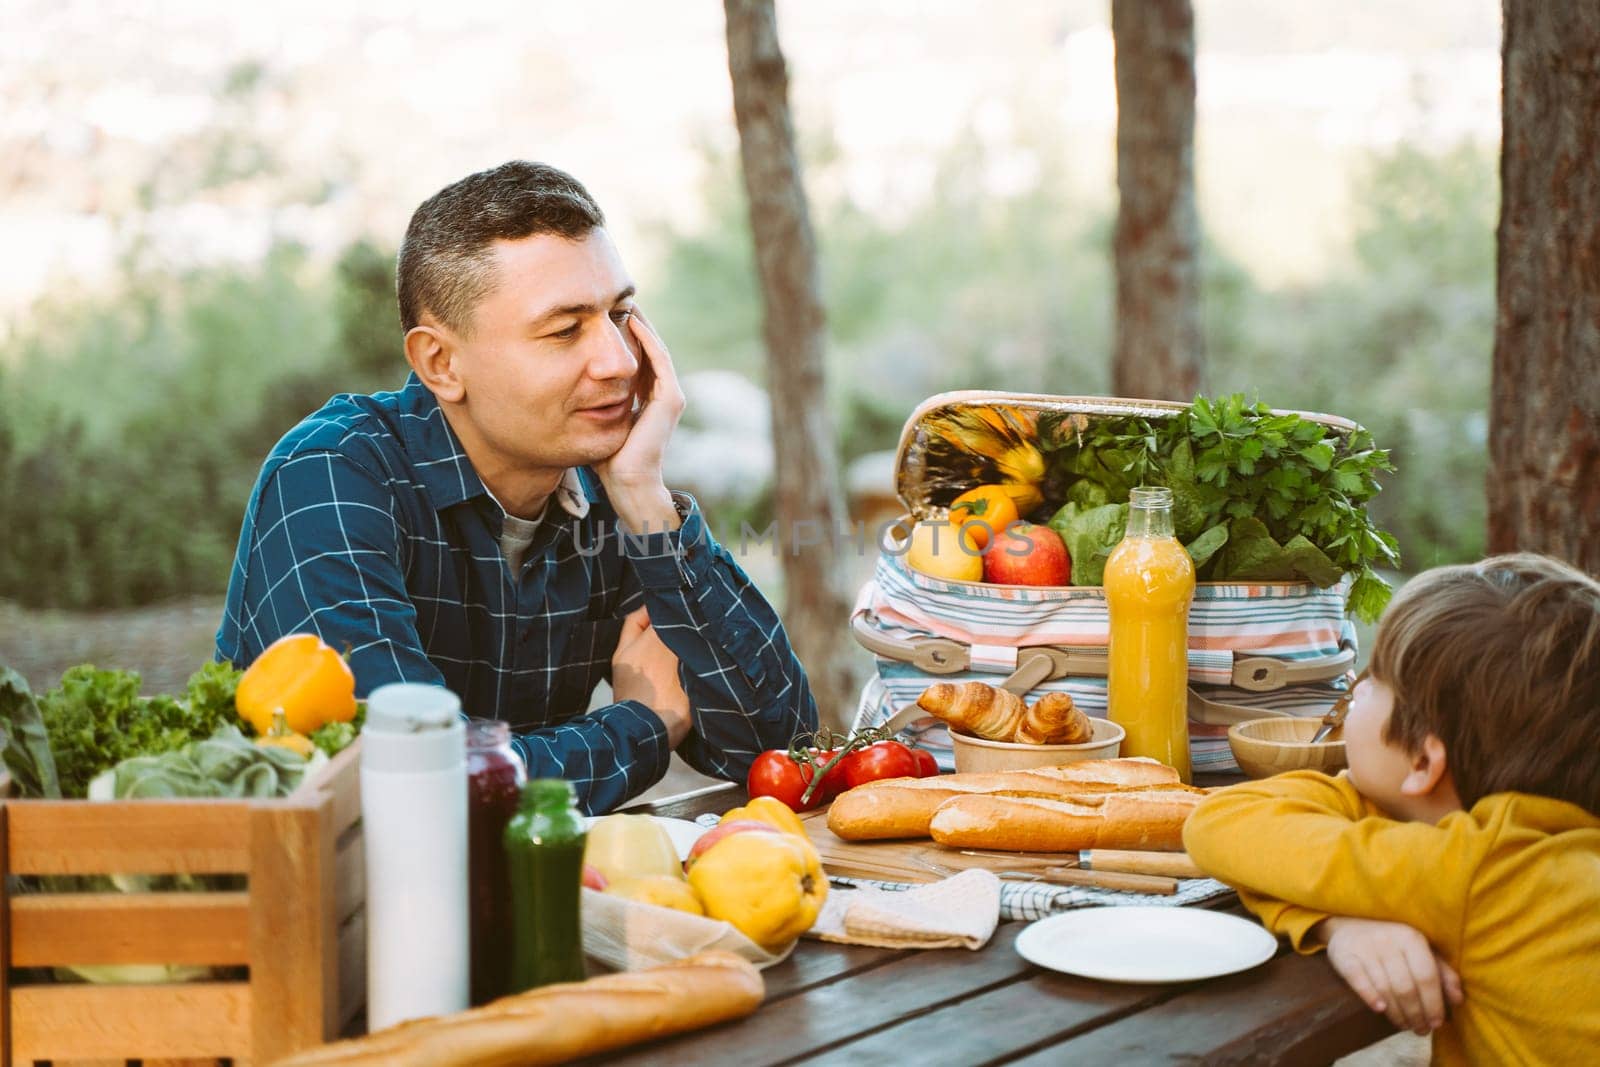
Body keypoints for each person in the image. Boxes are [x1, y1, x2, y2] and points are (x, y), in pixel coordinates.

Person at [216, 161, 818, 813]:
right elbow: (411, 789)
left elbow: (783, 755)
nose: (617, 360)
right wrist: (642, 727)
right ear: (441, 363)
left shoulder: (607, 489)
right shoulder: (333, 477)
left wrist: (647, 501)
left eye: (620, 314)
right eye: (565, 330)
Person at [1185, 552, 1600, 1064]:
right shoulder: (1548, 845)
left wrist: (1337, 913)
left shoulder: (1478, 870)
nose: (1355, 688)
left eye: (1376, 679)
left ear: (1424, 761)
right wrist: (1336, 922)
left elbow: (1221, 823)